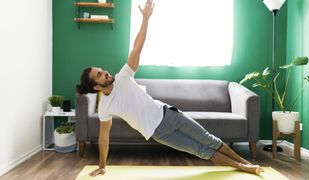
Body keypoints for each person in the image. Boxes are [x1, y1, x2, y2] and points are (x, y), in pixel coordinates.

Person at [76, 0, 264, 177]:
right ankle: (242, 167)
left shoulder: (123, 77)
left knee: (209, 139)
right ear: (96, 87)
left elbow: (137, 47)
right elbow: (103, 137)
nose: (105, 72)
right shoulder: (105, 107)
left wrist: (145, 18)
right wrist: (102, 166)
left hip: (169, 114)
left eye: (102, 70)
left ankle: (244, 163)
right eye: (99, 74)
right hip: (158, 133)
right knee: (201, 150)